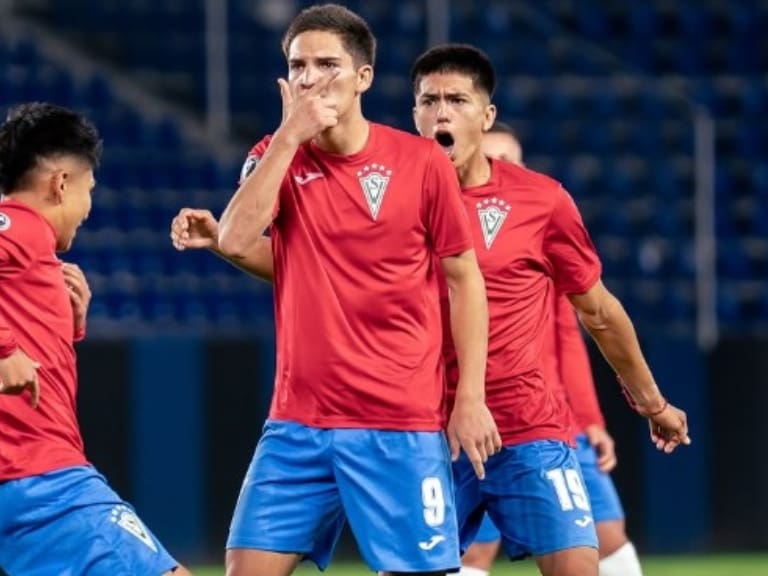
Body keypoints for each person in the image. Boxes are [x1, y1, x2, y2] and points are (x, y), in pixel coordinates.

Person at [181, 5, 499, 576]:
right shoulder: (274, 153)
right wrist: (288, 136)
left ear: (363, 77)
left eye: (327, 64)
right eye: (298, 66)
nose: (310, 78)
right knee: (245, 569)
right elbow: (234, 238)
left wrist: (469, 397)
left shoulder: (422, 161)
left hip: (398, 422)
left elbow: (463, 280)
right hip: (298, 422)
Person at [410, 44, 689, 576]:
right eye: (429, 100)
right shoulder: (394, 198)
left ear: (486, 115)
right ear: (415, 113)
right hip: (426, 437)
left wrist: (652, 403)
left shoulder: (542, 201)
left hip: (529, 431)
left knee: (583, 563)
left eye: (457, 100)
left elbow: (600, 312)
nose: (442, 112)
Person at [0, 103, 192, 575]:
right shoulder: (18, 227)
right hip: (40, 480)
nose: (88, 208)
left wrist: (69, 325)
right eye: (88, 189)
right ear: (60, 183)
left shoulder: (35, 254)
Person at [458, 129, 645, 576]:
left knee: (608, 535)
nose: (501, 164)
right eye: (492, 156)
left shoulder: (539, 235)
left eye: (511, 158)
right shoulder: (450, 241)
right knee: (474, 553)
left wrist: (591, 419)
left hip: (554, 422)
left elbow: (569, 341)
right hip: (477, 417)